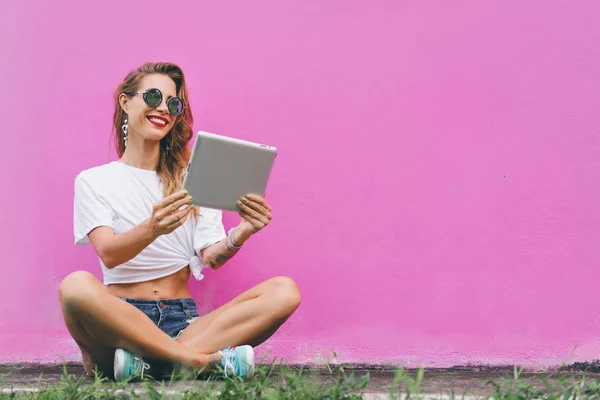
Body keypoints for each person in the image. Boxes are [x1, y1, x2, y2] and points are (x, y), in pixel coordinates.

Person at [59, 62, 301, 381]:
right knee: (75, 285)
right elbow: (109, 253)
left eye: (174, 103)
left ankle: (151, 365)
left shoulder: (192, 178)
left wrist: (241, 233)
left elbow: (210, 257)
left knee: (285, 291)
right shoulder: (93, 181)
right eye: (154, 96)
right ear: (125, 101)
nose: (164, 108)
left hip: (184, 324)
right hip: (119, 324)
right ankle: (197, 362)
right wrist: (153, 228)